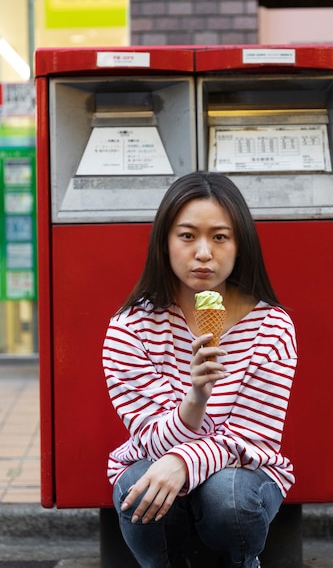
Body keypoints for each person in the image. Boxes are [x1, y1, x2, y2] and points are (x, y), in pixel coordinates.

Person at [102, 171, 297, 568]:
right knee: (139, 488)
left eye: (220, 236)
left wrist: (183, 461)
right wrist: (195, 398)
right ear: (165, 243)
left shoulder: (273, 327)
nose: (204, 252)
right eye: (187, 235)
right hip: (155, 460)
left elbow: (252, 438)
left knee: (229, 498)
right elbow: (152, 440)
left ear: (240, 244)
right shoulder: (129, 328)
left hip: (243, 472)